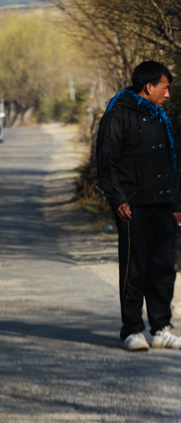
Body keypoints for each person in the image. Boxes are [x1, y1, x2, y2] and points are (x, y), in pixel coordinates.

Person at [97, 60, 181, 351]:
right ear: (149, 87)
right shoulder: (117, 116)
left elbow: (173, 165)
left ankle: (160, 328)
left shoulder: (162, 120)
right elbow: (107, 162)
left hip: (164, 207)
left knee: (163, 269)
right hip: (133, 208)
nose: (167, 95)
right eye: (164, 88)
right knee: (134, 270)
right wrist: (117, 198)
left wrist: (176, 204)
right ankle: (132, 330)